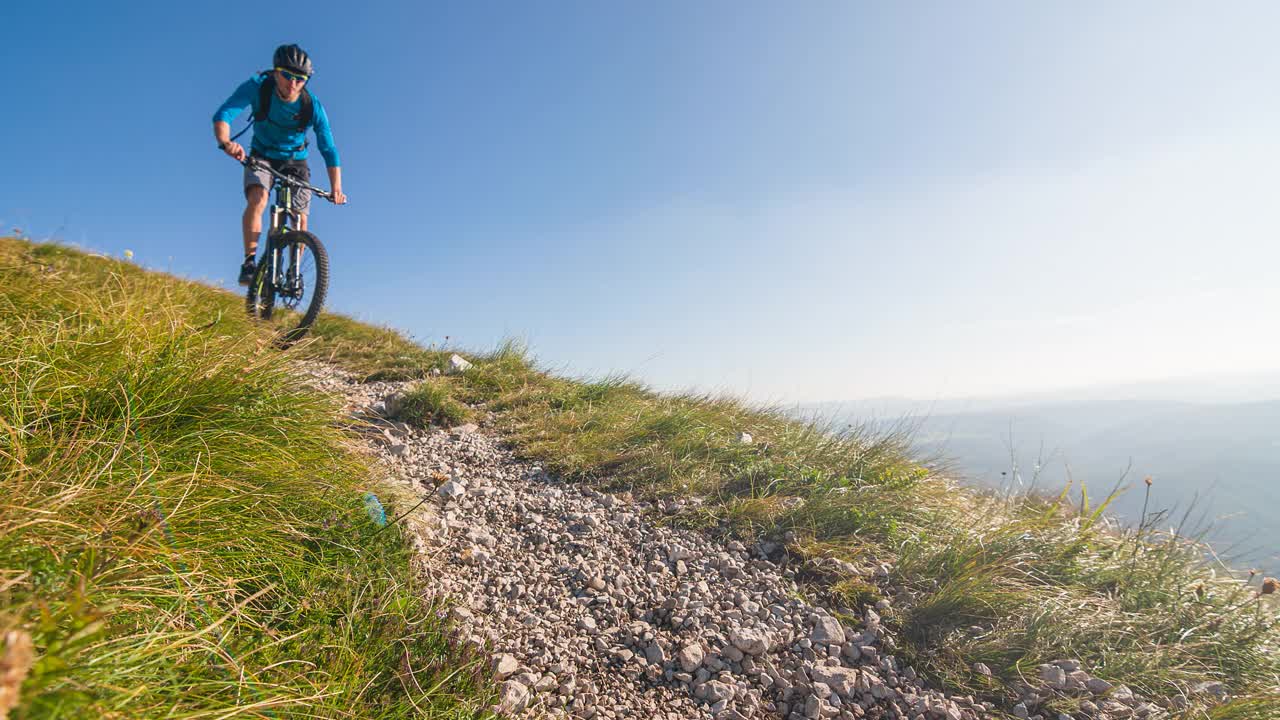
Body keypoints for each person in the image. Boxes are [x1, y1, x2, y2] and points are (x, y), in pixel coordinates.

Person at [212, 44, 347, 285]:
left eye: (300, 79)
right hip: (262, 154)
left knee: (300, 217)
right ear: (275, 72)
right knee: (258, 199)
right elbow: (224, 113)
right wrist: (226, 142)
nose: (293, 84)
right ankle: (250, 262)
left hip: (296, 160)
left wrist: (336, 187)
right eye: (287, 76)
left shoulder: (311, 105)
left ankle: (293, 274)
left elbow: (328, 148)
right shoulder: (257, 87)